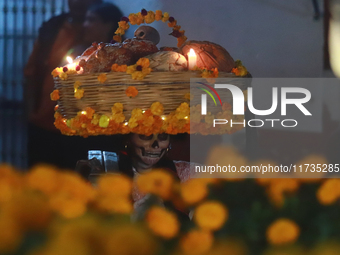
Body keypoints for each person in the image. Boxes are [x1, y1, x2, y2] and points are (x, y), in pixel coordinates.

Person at [24, 0, 123, 169]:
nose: (77, 2)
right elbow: (31, 72)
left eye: (91, 20)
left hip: (84, 133)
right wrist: (30, 111)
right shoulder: (54, 28)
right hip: (43, 122)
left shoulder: (118, 56)